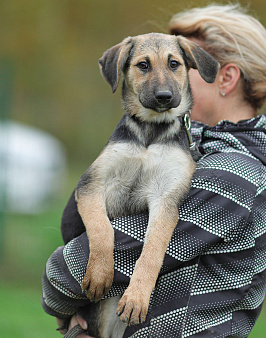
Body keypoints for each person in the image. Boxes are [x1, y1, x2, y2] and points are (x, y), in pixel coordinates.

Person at [41, 4, 266, 337]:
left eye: (177, 66)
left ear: (225, 77)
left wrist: (58, 293)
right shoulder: (202, 152)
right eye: (145, 66)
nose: (165, 83)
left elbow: (67, 273)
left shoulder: (231, 173)